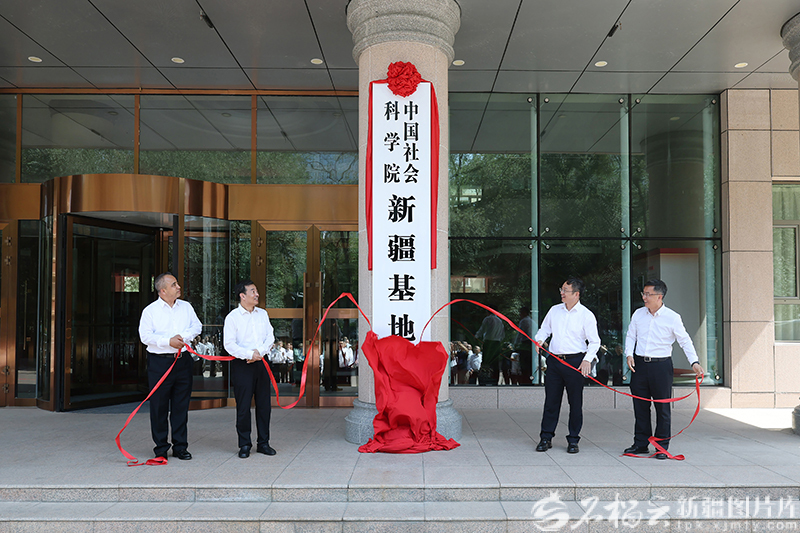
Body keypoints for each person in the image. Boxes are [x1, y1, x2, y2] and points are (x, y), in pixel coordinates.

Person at [623, 279, 704, 459]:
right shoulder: (638, 314)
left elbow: (685, 341)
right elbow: (630, 336)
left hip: (661, 366)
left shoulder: (672, 317)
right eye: (643, 293)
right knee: (640, 407)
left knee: (662, 408)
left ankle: (661, 447)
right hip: (639, 365)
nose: (644, 297)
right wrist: (629, 354)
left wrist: (694, 362)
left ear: (659, 296)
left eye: (648, 294)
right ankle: (640, 444)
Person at [138, 272, 202, 461]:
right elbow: (145, 336)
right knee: (159, 406)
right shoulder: (150, 311)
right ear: (163, 290)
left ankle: (180, 447)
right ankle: (161, 448)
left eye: (177, 283)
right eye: (174, 284)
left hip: (183, 361)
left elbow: (197, 326)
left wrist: (183, 338)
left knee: (181, 405)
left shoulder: (186, 307)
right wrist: (168, 341)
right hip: (160, 362)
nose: (178, 287)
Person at [534, 278, 600, 454]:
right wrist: (540, 339)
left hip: (575, 362)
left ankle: (573, 440)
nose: (562, 293)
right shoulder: (554, 310)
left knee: (575, 403)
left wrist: (587, 360)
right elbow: (544, 329)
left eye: (566, 290)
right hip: (555, 361)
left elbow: (595, 341)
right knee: (551, 402)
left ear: (576, 294)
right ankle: (546, 438)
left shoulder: (586, 315)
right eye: (561, 289)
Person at [223, 280, 277, 458]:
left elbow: (270, 337)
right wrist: (248, 354)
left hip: (262, 362)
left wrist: (258, 352)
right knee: (243, 406)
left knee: (264, 405)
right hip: (242, 364)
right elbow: (229, 344)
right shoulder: (232, 317)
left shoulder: (263, 314)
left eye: (257, 291)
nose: (257, 294)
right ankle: (244, 444)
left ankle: (264, 443)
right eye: (253, 291)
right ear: (242, 295)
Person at [475, 309, 504, 385]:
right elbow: (502, 334)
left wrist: (477, 336)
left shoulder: (488, 318)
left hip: (489, 342)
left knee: (486, 361)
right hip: (497, 343)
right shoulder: (500, 321)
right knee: (495, 362)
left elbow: (482, 329)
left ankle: (485, 379)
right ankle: (495, 379)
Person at [514, 306, 534, 385]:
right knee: (529, 364)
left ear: (524, 313)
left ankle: (525, 381)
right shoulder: (532, 321)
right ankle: (530, 380)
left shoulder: (524, 321)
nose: (520, 315)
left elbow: (520, 333)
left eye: (521, 313)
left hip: (525, 343)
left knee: (524, 364)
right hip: (531, 344)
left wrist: (515, 343)